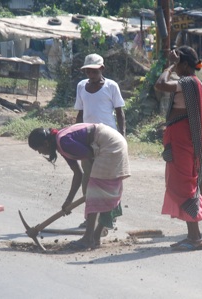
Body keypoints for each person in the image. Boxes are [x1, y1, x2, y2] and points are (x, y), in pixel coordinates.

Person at [28, 123, 131, 250]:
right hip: (113, 143)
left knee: (94, 193)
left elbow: (90, 155)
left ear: (46, 143)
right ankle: (95, 237)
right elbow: (78, 174)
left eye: (38, 149)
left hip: (110, 145)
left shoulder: (64, 141)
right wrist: (68, 201)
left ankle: (88, 239)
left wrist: (96, 184)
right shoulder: (62, 144)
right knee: (104, 191)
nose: (39, 152)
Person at [154, 45, 202, 251]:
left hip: (182, 141)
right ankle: (191, 236)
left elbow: (160, 84)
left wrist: (169, 65)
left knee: (185, 187)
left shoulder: (187, 82)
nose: (176, 68)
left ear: (185, 65)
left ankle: (195, 238)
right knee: (183, 184)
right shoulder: (194, 83)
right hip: (181, 139)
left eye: (178, 63)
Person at [74, 53, 126, 227]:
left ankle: (108, 217)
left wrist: (122, 137)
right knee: (88, 179)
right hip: (88, 140)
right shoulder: (81, 86)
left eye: (94, 71)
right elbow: (80, 114)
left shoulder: (111, 86)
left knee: (109, 180)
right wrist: (76, 135)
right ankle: (90, 218)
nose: (91, 75)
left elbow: (120, 113)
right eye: (88, 71)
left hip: (108, 141)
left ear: (102, 69)